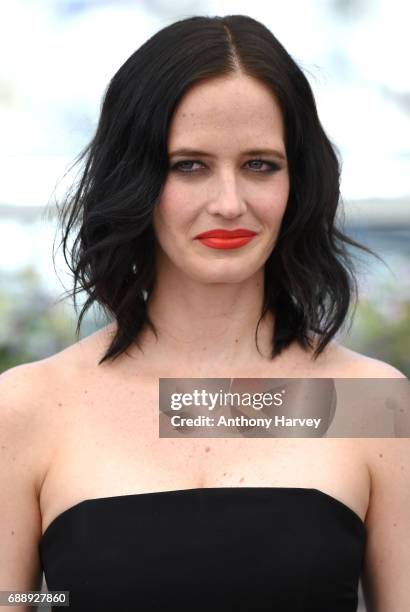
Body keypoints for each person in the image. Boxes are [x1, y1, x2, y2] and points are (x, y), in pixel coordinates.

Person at [0, 13, 408, 612]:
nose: (229, 202)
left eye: (259, 165)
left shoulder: (372, 403)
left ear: (299, 181)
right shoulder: (29, 409)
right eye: (188, 165)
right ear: (134, 176)